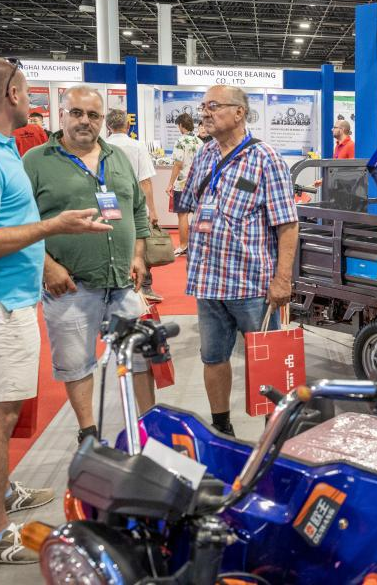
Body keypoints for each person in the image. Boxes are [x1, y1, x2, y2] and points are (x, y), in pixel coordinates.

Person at [0, 58, 111, 564]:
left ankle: (0, 491)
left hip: (3, 297)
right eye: (29, 90)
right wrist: (53, 227)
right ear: (12, 93)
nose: (33, 99)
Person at [23, 86, 154, 444]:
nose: (85, 121)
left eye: (93, 115)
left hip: (123, 283)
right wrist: (47, 266)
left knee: (140, 357)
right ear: (62, 114)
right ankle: (89, 434)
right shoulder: (36, 161)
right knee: (76, 363)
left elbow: (137, 209)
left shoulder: (118, 156)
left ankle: (150, 428)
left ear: (102, 120)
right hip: (70, 285)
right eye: (77, 113)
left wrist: (138, 254)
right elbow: (18, 221)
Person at [177, 85, 299, 436]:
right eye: (203, 106)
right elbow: (191, 204)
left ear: (239, 112)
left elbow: (288, 225)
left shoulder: (266, 159)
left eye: (213, 106)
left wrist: (282, 279)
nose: (205, 112)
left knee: (267, 363)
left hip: (251, 285)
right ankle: (222, 428)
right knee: (213, 357)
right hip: (208, 281)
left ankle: (274, 436)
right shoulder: (204, 154)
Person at [105, 108, 163, 302]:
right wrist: (152, 210)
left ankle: (115, 285)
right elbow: (145, 181)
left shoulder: (101, 145)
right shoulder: (137, 146)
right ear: (128, 125)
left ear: (108, 126)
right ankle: (145, 287)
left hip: (107, 203)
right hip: (134, 204)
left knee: (112, 243)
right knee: (140, 243)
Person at [165, 112, 202, 256]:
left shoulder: (180, 141)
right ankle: (195, 245)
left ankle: (183, 245)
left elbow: (178, 164)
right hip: (198, 183)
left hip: (182, 183)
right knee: (197, 215)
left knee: (182, 215)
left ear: (181, 125)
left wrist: (170, 183)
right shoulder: (200, 142)